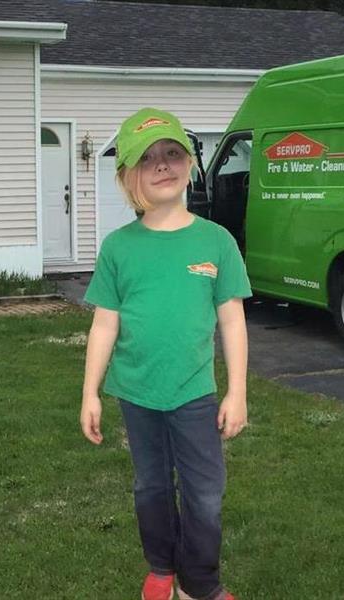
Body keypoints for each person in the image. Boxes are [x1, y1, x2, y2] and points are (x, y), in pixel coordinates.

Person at [80, 107, 251, 600]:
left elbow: (232, 321)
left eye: (172, 153)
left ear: (191, 164)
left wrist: (237, 391)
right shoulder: (118, 248)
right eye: (147, 158)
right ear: (126, 176)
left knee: (204, 495)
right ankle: (161, 568)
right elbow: (104, 322)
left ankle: (200, 585)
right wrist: (90, 393)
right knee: (151, 488)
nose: (161, 165)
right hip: (136, 392)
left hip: (195, 392)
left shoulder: (216, 242)